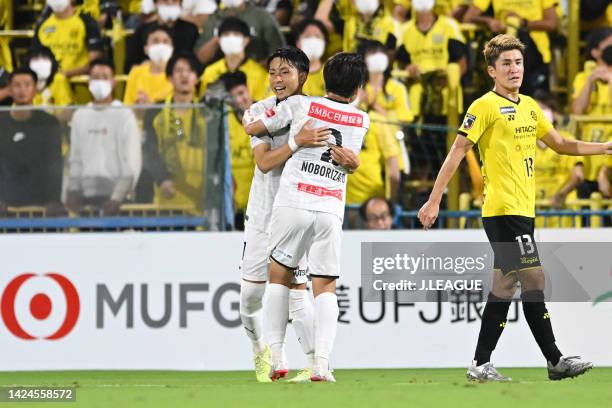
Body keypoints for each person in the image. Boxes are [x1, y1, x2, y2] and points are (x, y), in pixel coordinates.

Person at [418, 34, 611, 381]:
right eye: (506, 64)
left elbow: (562, 144)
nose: (514, 69)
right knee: (534, 277)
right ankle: (554, 360)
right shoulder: (483, 106)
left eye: (518, 63)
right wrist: (434, 199)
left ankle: (479, 364)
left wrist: (604, 148)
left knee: (504, 287)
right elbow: (457, 151)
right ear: (492, 70)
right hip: (503, 210)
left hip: (524, 210)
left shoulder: (530, 106)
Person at [245, 52, 368, 382]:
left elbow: (254, 126)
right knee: (325, 285)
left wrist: (274, 126)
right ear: (358, 88)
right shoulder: (362, 119)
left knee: (279, 277)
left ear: (320, 79)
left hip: (294, 202)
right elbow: (350, 161)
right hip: (330, 207)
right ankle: (321, 364)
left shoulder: (303, 106)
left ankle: (276, 357)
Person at [238, 47, 332, 383]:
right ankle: (259, 348)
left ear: (303, 76)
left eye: (286, 72)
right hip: (262, 215)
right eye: (273, 72)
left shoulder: (314, 112)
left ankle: (313, 365)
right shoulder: (258, 111)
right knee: (249, 298)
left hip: (295, 212)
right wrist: (295, 143)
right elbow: (263, 163)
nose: (278, 79)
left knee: (296, 289)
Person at [66, 59, 142, 216]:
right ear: (88, 82)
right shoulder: (80, 115)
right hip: (86, 199)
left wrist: (117, 198)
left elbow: (132, 161)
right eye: (95, 77)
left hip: (119, 201)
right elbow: (76, 158)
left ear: (113, 82)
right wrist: (72, 190)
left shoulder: (124, 115)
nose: (100, 81)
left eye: (105, 77)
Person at [142, 52, 206, 211]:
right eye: (178, 71)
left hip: (201, 196)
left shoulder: (207, 112)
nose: (184, 75)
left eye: (190, 71)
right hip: (167, 195)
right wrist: (162, 178)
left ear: (196, 78)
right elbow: (149, 150)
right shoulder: (155, 112)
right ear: (169, 78)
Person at [0, 68, 64, 216]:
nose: (22, 90)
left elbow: (55, 163)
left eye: (27, 85)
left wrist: (54, 200)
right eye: (17, 85)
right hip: (6, 202)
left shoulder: (49, 123)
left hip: (41, 203)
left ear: (35, 89)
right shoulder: (1, 122)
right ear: (9, 89)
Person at [463, 0, 558, 95]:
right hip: (504, 58)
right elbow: (468, 17)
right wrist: (489, 21)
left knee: (536, 104)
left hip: (537, 58)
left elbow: (551, 23)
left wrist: (523, 23)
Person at [571, 28, 612, 205]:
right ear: (596, 52)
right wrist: (590, 82)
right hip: (590, 153)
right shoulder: (582, 77)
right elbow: (577, 111)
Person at [193, 0, 285, 67]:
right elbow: (199, 59)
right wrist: (216, 40)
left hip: (258, 75)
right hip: (219, 74)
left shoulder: (262, 17)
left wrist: (255, 68)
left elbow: (280, 52)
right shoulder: (213, 19)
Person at [199, 17, 269, 102]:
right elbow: (203, 107)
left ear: (246, 40)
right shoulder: (209, 72)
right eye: (226, 34)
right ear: (219, 40)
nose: (231, 38)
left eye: (236, 34)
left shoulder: (261, 74)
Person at [220, 71, 256, 230]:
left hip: (265, 202)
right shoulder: (223, 121)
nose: (240, 99)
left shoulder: (270, 114)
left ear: (248, 89)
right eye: (234, 96)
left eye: (241, 93)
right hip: (236, 205)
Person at [33, 0, 104, 78]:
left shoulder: (87, 23)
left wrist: (65, 74)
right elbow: (34, 59)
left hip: (79, 83)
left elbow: (95, 63)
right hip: (49, 84)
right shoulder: (42, 26)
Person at [126, 0, 199, 72]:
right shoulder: (142, 30)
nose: (170, 3)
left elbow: (195, 62)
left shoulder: (191, 30)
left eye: (175, 1)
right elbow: (129, 66)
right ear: (156, 3)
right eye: (164, 0)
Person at [124, 24, 174, 105]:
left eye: (165, 41)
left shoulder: (177, 73)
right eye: (155, 41)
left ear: (172, 48)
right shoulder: (136, 72)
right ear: (146, 49)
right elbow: (128, 105)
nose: (161, 46)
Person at [294, 18, 328, 97]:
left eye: (317, 36)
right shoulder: (287, 76)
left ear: (324, 43)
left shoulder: (334, 75)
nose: (313, 41)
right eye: (308, 36)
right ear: (298, 43)